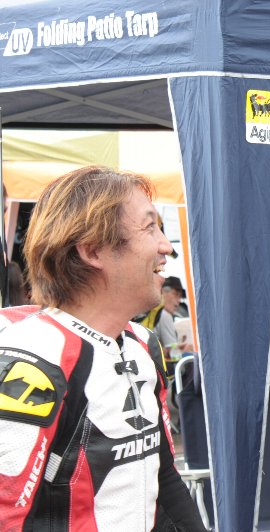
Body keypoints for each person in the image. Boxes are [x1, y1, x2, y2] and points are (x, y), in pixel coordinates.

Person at [0, 166, 205, 531]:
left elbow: (164, 481)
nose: (167, 246)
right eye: (150, 228)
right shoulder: (35, 359)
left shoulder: (143, 345)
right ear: (93, 250)